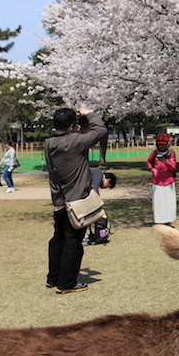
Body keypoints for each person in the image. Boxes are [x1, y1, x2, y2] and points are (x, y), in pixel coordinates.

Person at [44, 107, 107, 294]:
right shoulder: (76, 142)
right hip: (76, 200)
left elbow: (75, 136)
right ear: (72, 126)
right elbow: (101, 131)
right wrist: (88, 113)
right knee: (73, 242)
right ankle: (67, 283)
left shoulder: (49, 143)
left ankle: (53, 278)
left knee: (58, 240)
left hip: (59, 200)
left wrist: (79, 125)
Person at [146, 133, 177, 225]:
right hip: (157, 181)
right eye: (159, 144)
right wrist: (152, 169)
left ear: (167, 145)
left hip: (168, 181)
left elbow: (173, 167)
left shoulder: (171, 154)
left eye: (163, 145)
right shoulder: (154, 153)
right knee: (158, 202)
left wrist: (166, 162)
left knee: (169, 201)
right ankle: (159, 221)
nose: (161, 146)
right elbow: (149, 162)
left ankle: (168, 220)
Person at [86, 167, 116, 245]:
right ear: (108, 180)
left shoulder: (95, 174)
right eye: (108, 186)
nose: (105, 188)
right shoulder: (98, 173)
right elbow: (95, 192)